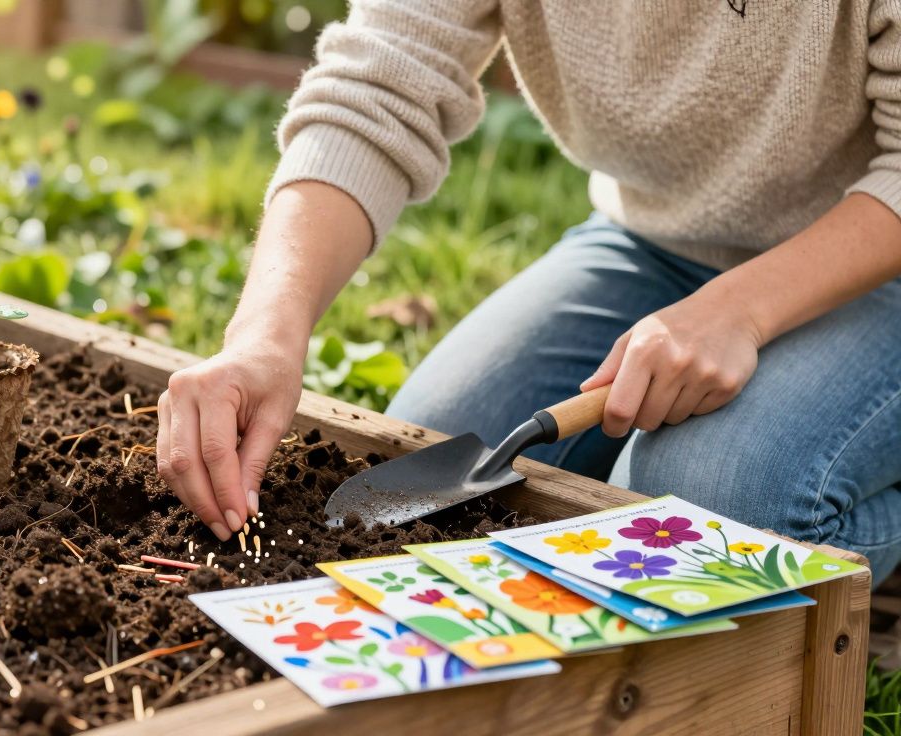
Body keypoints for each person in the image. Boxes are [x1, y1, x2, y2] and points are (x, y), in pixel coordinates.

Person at [154, 1, 901, 578]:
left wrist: (740, 309)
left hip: (877, 258)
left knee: (698, 513)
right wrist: (265, 335)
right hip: (657, 241)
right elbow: (376, 82)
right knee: (435, 458)